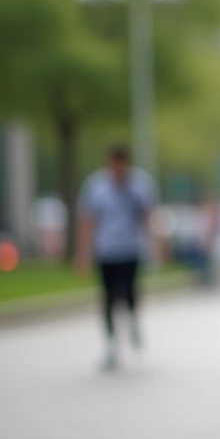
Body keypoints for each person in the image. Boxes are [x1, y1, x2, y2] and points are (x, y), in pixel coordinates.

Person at [75, 144, 158, 371]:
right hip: (106, 250)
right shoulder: (96, 187)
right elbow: (87, 220)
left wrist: (156, 245)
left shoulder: (140, 185)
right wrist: (83, 253)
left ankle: (132, 321)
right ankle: (111, 344)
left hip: (131, 249)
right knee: (108, 297)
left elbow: (149, 216)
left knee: (130, 292)